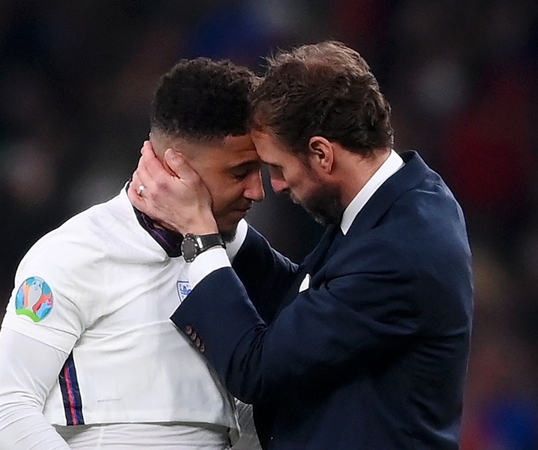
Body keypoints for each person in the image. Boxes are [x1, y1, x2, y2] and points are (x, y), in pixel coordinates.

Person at [130, 41, 474, 449]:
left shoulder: (402, 251)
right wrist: (226, 229)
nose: (275, 185)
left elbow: (255, 367)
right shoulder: (400, 202)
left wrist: (201, 238)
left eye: (277, 167)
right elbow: (312, 305)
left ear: (321, 153)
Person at [0, 57, 265, 449]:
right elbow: (7, 411)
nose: (257, 191)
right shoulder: (74, 252)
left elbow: (253, 409)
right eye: (239, 173)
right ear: (174, 168)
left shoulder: (235, 253)